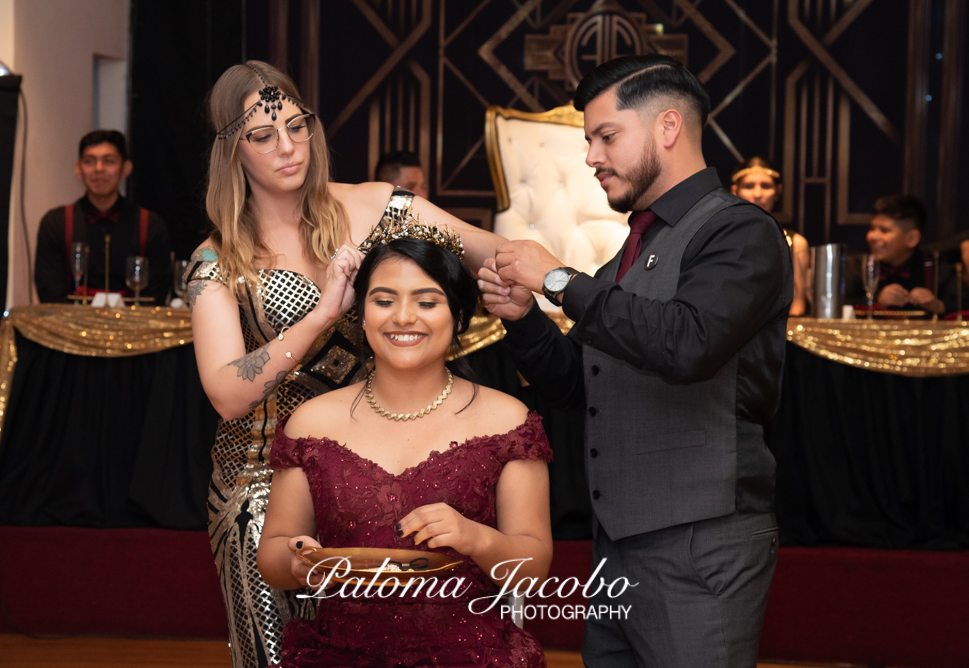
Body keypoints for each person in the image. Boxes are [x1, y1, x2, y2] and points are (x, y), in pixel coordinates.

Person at [186, 61, 503, 668]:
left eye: (297, 126)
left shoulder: (379, 208)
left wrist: (566, 280)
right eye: (263, 135)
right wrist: (322, 313)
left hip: (372, 470)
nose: (288, 147)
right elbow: (226, 393)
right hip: (262, 483)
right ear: (233, 151)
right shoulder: (217, 258)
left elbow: (490, 248)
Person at [478, 54, 792, 666]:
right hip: (617, 545)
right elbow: (577, 383)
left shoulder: (738, 232)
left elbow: (687, 342)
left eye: (606, 136)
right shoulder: (634, 249)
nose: (591, 156)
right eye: (589, 140)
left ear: (667, 127)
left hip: (701, 543)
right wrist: (523, 318)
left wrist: (560, 278)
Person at [257, 234, 552, 667]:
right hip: (339, 654)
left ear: (459, 316)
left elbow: (533, 568)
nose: (403, 317)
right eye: (383, 300)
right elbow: (273, 554)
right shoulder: (311, 421)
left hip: (471, 655)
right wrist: (299, 562)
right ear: (360, 315)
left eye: (427, 302)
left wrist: (474, 537)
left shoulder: (506, 421)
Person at [34, 130, 171, 304]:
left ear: (126, 168)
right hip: (70, 328)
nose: (99, 169)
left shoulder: (151, 225)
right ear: (78, 169)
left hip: (133, 329)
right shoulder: (55, 223)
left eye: (109, 161)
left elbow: (155, 295)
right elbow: (49, 294)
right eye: (90, 161)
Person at [730, 157, 809, 316]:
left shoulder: (794, 243)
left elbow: (798, 306)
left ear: (778, 191)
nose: (758, 194)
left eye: (766, 186)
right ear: (735, 191)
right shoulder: (721, 238)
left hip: (778, 335)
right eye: (749, 186)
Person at [845, 195, 945, 315]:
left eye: (884, 230)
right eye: (872, 228)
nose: (871, 236)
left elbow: (960, 304)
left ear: (911, 238)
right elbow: (835, 304)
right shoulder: (855, 267)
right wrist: (876, 299)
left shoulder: (938, 268)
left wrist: (938, 305)